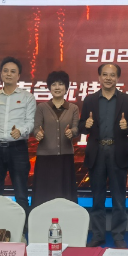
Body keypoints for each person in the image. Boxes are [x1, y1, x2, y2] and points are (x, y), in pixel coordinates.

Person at [78, 63, 128, 248]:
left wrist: (127, 126)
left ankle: (118, 236)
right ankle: (98, 235)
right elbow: (81, 126)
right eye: (105, 74)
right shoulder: (90, 100)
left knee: (119, 197)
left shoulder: (127, 99)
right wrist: (86, 125)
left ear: (117, 78)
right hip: (97, 152)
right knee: (97, 197)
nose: (108, 78)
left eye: (112, 75)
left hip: (118, 151)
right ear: (99, 77)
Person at [0, 56, 35, 218]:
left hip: (17, 149)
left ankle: (22, 229)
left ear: (19, 76)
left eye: (12, 71)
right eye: (5, 71)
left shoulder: (27, 97)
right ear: (1, 74)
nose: (8, 74)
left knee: (21, 193)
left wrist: (21, 131)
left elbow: (30, 122)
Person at [32, 71, 79, 206]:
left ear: (66, 87)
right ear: (49, 87)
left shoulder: (73, 108)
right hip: (45, 158)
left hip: (65, 157)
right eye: (53, 84)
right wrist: (38, 133)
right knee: (44, 194)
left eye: (61, 84)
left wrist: (71, 132)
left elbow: (76, 128)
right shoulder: (42, 107)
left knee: (65, 194)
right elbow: (36, 128)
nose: (57, 87)